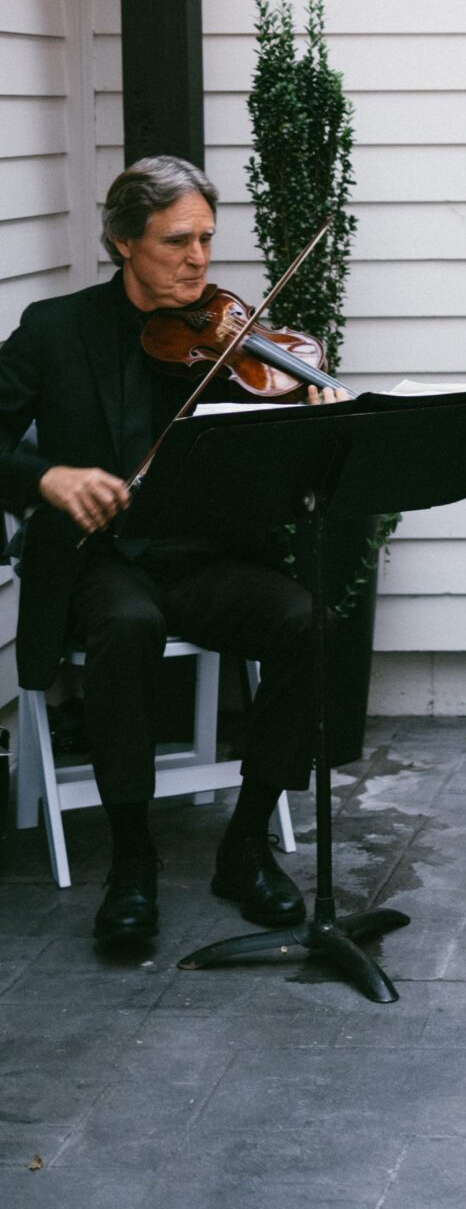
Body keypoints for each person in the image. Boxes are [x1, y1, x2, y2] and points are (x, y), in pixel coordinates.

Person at [0, 157, 346, 950]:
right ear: (124, 241)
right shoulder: (56, 328)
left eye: (206, 240)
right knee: (125, 627)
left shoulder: (232, 340)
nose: (197, 260)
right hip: (98, 556)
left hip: (200, 555)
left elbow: (283, 475)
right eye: (175, 241)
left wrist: (317, 423)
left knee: (307, 622)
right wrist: (45, 474)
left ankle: (246, 843)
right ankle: (132, 861)